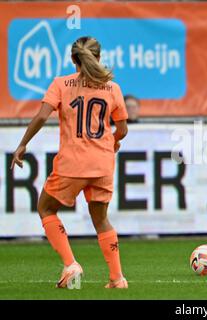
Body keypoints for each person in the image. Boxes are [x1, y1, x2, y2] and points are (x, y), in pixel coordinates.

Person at [10, 36, 129, 289]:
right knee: (101, 219)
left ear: (73, 59)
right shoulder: (113, 88)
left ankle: (70, 263)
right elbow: (122, 129)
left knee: (46, 208)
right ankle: (117, 279)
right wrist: (113, 142)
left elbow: (43, 115)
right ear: (98, 57)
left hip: (72, 164)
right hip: (102, 164)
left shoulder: (61, 84)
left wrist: (23, 144)